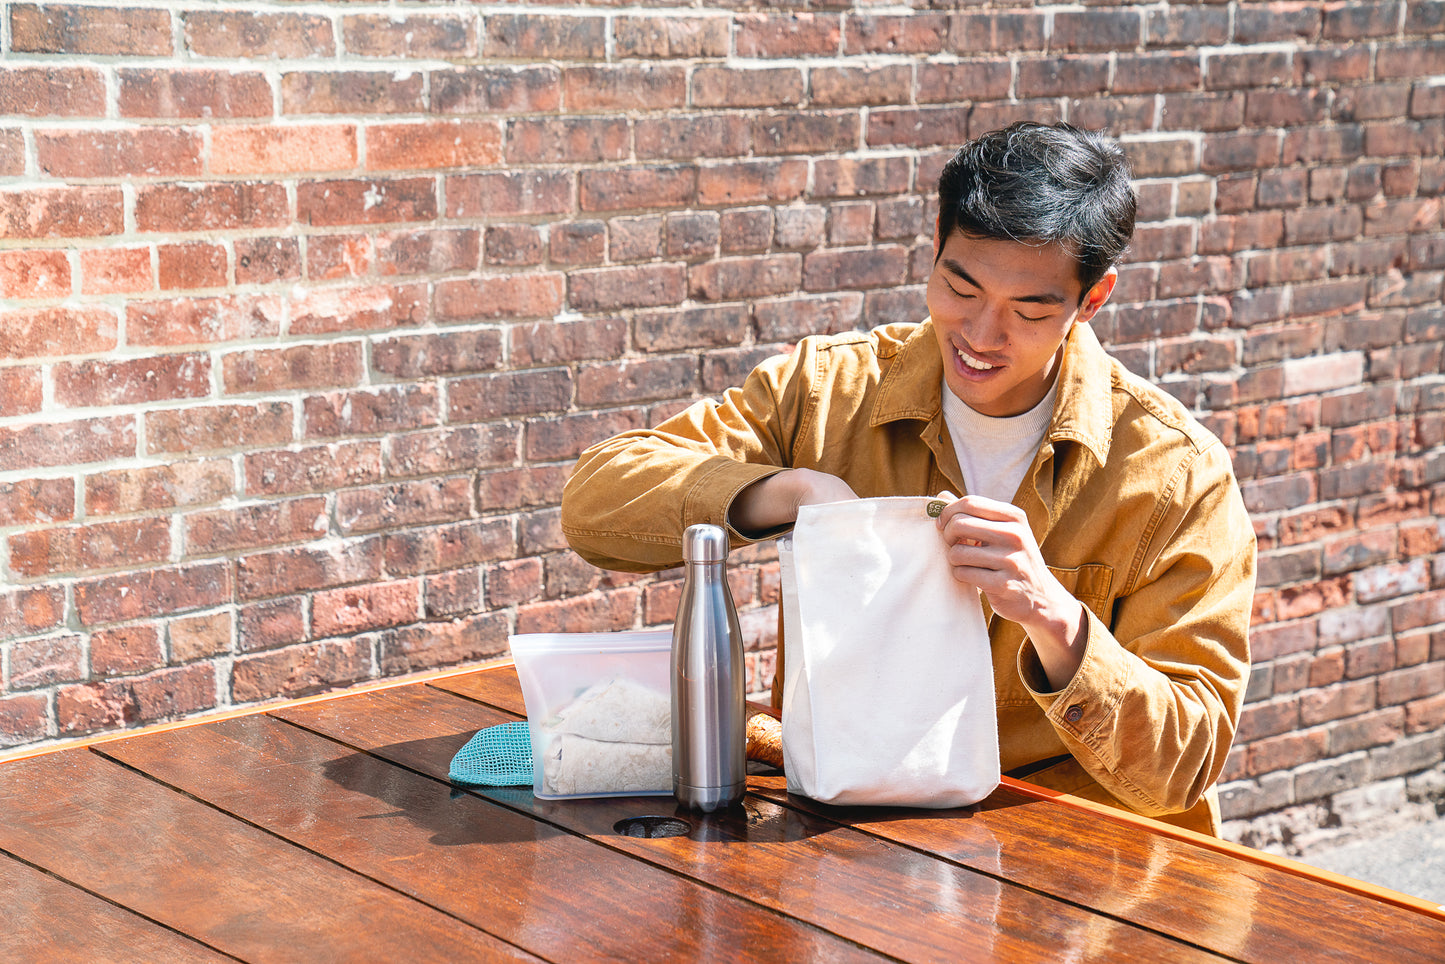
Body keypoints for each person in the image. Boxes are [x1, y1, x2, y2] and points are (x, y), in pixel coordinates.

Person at [560, 121, 1256, 835]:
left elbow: (1186, 763)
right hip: (839, 836)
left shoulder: (1174, 473)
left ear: (1092, 300)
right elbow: (594, 504)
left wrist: (1054, 618)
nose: (981, 336)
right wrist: (791, 493)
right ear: (934, 249)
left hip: (1065, 866)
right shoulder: (828, 393)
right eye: (960, 287)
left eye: (1029, 310)